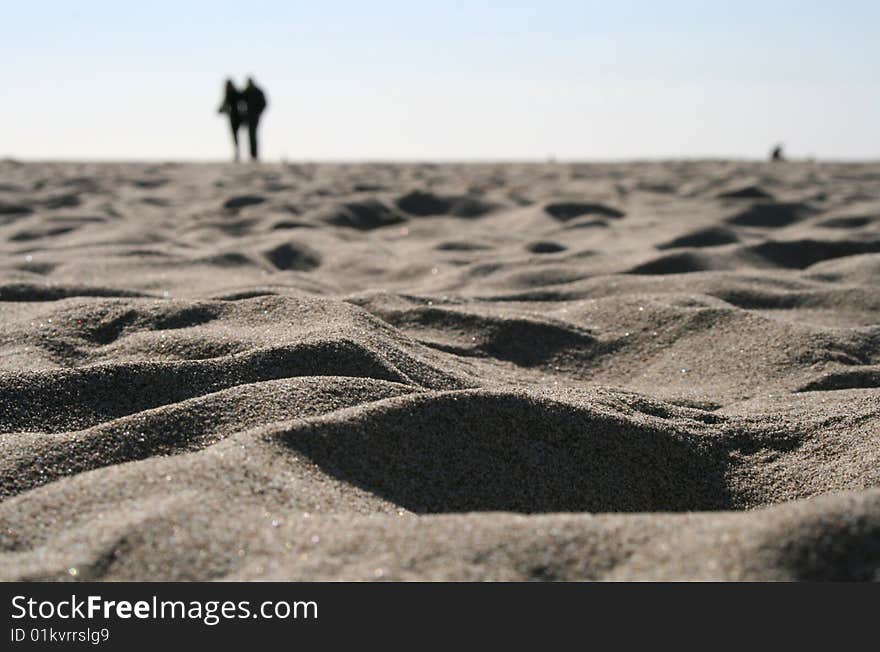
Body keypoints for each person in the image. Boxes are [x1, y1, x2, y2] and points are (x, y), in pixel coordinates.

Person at [217, 79, 245, 161]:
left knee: (235, 136)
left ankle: (237, 154)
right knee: (237, 136)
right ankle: (238, 154)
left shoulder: (229, 94)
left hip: (234, 117)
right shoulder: (236, 93)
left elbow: (224, 105)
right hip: (238, 116)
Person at [242, 77, 268, 161]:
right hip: (249, 116)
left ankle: (254, 154)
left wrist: (258, 112)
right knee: (251, 134)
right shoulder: (247, 91)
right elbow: (239, 100)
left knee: (253, 134)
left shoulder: (257, 91)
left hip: (255, 116)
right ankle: (253, 154)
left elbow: (264, 103)